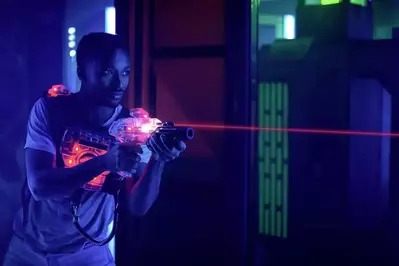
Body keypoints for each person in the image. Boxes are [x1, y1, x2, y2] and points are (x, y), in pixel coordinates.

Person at [3, 32, 187, 266]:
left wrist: (158, 161)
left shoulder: (131, 127)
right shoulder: (50, 110)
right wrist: (105, 162)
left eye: (125, 72)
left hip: (88, 253)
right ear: (82, 73)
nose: (119, 84)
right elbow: (39, 185)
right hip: (29, 252)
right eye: (107, 72)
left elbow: (138, 206)